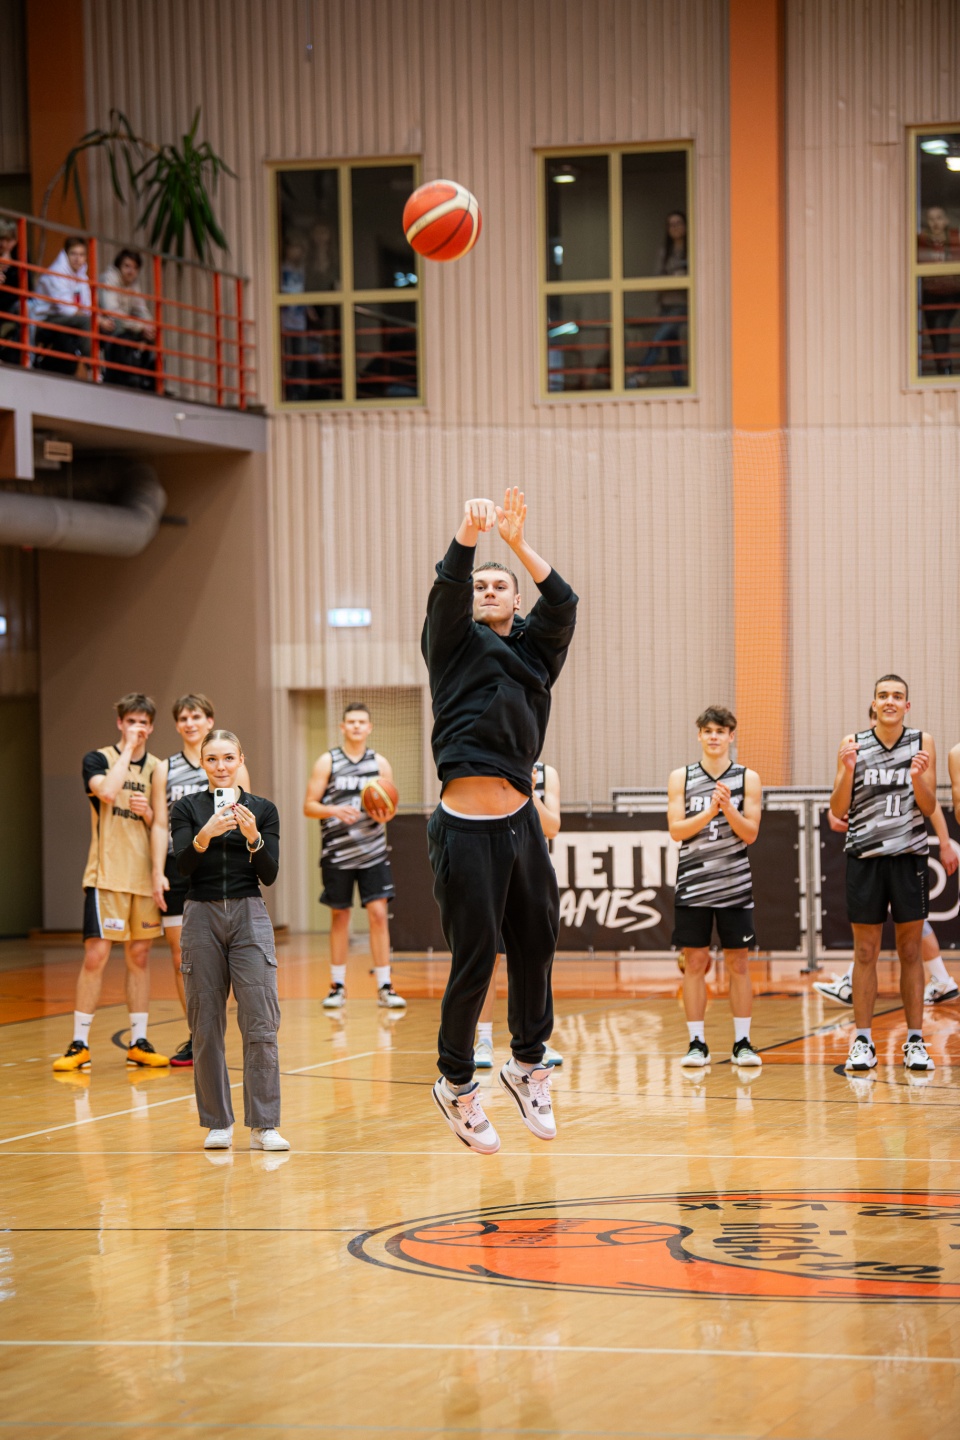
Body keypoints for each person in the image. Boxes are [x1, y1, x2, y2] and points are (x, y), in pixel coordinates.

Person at [422, 488, 578, 1155]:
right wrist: (468, 533)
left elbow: (564, 602)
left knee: (538, 946)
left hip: (521, 823)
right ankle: (457, 1084)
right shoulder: (452, 643)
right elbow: (447, 588)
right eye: (480, 585)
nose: (487, 590)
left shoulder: (538, 654)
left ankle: (527, 1065)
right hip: (465, 827)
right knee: (476, 960)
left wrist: (515, 542)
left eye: (499, 585)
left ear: (516, 601)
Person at [171, 729, 286, 1152]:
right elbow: (183, 867)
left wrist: (254, 837)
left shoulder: (263, 809)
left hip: (249, 914)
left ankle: (264, 1125)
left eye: (228, 758)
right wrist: (205, 835)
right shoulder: (186, 808)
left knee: (260, 1021)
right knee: (205, 1025)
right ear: (203, 763)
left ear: (241, 760)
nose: (221, 767)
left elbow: (269, 874)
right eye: (212, 759)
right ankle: (217, 1123)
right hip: (200, 914)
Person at [816, 701, 959, 1005]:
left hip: (904, 852)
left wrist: (945, 843)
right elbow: (843, 802)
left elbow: (930, 805)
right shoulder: (858, 752)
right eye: (873, 721)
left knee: (911, 927)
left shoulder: (913, 751)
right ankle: (939, 979)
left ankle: (940, 980)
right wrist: (836, 813)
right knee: (872, 929)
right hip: (870, 854)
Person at [53, 694, 167, 1072]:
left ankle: (138, 1042)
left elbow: (162, 824)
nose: (137, 728)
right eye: (131, 721)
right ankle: (79, 1044)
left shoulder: (158, 768)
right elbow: (105, 791)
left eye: (143, 722)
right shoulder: (98, 758)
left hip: (142, 879)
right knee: (96, 956)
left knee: (140, 956)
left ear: (152, 726)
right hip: (107, 876)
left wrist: (148, 814)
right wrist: (128, 750)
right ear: (120, 723)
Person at [829, 675, 937, 1073]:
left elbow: (929, 807)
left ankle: (915, 1041)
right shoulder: (852, 743)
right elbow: (838, 808)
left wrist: (917, 777)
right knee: (865, 952)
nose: (889, 701)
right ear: (873, 704)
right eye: (882, 695)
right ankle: (863, 1041)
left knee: (910, 951)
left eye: (897, 696)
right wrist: (847, 770)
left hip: (909, 858)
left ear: (907, 706)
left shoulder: (922, 742)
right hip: (865, 858)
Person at [150, 694, 252, 1067]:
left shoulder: (230, 765)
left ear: (209, 721)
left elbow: (248, 813)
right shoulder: (165, 768)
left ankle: (223, 1028)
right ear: (177, 725)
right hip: (181, 865)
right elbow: (160, 823)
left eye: (196, 716)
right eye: (183, 718)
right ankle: (198, 1033)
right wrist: (156, 871)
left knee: (227, 954)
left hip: (223, 869)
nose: (190, 723)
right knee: (183, 956)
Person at [667, 705, 763, 1069]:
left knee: (738, 963)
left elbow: (750, 833)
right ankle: (697, 1043)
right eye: (707, 731)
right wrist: (709, 812)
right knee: (695, 961)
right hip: (693, 885)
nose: (713, 737)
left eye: (720, 731)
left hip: (734, 885)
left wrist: (728, 809)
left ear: (731, 736)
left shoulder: (747, 778)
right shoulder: (681, 777)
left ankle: (742, 1043)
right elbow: (676, 830)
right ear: (699, 735)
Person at [302, 702, 405, 1011]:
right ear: (343, 727)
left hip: (373, 852)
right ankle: (337, 986)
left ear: (369, 727)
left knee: (378, 915)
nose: (357, 726)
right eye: (351, 722)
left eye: (362, 722)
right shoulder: (328, 761)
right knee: (340, 916)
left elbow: (391, 808)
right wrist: (334, 810)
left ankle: (385, 986)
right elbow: (309, 806)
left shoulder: (380, 763)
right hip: (337, 853)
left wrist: (385, 814)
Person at [474, 761, 564, 1069]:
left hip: (532, 875)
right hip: (493, 872)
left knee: (536, 960)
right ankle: (483, 1040)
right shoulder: (488, 766)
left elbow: (551, 827)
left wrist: (528, 791)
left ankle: (535, 1041)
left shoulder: (547, 773)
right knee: (490, 958)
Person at [32, 236, 114, 375]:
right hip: (45, 319)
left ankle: (110, 373)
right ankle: (93, 369)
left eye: (81, 255)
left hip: (67, 319)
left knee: (109, 325)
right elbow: (67, 310)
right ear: (66, 254)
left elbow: (87, 307)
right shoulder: (56, 272)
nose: (78, 259)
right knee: (88, 322)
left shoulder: (82, 275)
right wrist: (97, 320)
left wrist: (101, 321)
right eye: (73, 254)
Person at [632, 211, 688, 387]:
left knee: (657, 340)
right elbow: (657, 279)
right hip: (666, 305)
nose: (675, 228)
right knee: (673, 348)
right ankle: (679, 384)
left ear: (686, 226)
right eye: (671, 225)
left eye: (678, 223)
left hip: (682, 305)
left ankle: (640, 375)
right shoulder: (664, 252)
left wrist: (684, 276)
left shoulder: (692, 251)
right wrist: (673, 278)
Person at [98, 248, 156, 389]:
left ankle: (147, 382)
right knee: (125, 335)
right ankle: (125, 380)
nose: (131, 271)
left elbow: (142, 311)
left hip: (123, 327)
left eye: (135, 268)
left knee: (152, 336)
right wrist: (140, 327)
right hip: (105, 325)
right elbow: (112, 312)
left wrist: (150, 326)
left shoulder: (133, 285)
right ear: (119, 266)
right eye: (127, 266)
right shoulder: (109, 278)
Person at [917, 205, 960, 376]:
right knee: (934, 334)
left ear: (946, 220)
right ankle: (943, 368)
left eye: (939, 217)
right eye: (931, 218)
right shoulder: (921, 241)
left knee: (940, 327)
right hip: (930, 295)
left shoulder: (955, 238)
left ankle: (945, 371)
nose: (935, 222)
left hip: (951, 292)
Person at [0, 219, 23, 365]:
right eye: (1, 239)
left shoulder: (21, 256)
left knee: (26, 309)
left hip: (12, 306)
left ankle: (24, 358)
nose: (4, 244)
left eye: (8, 240)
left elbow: (28, 286)